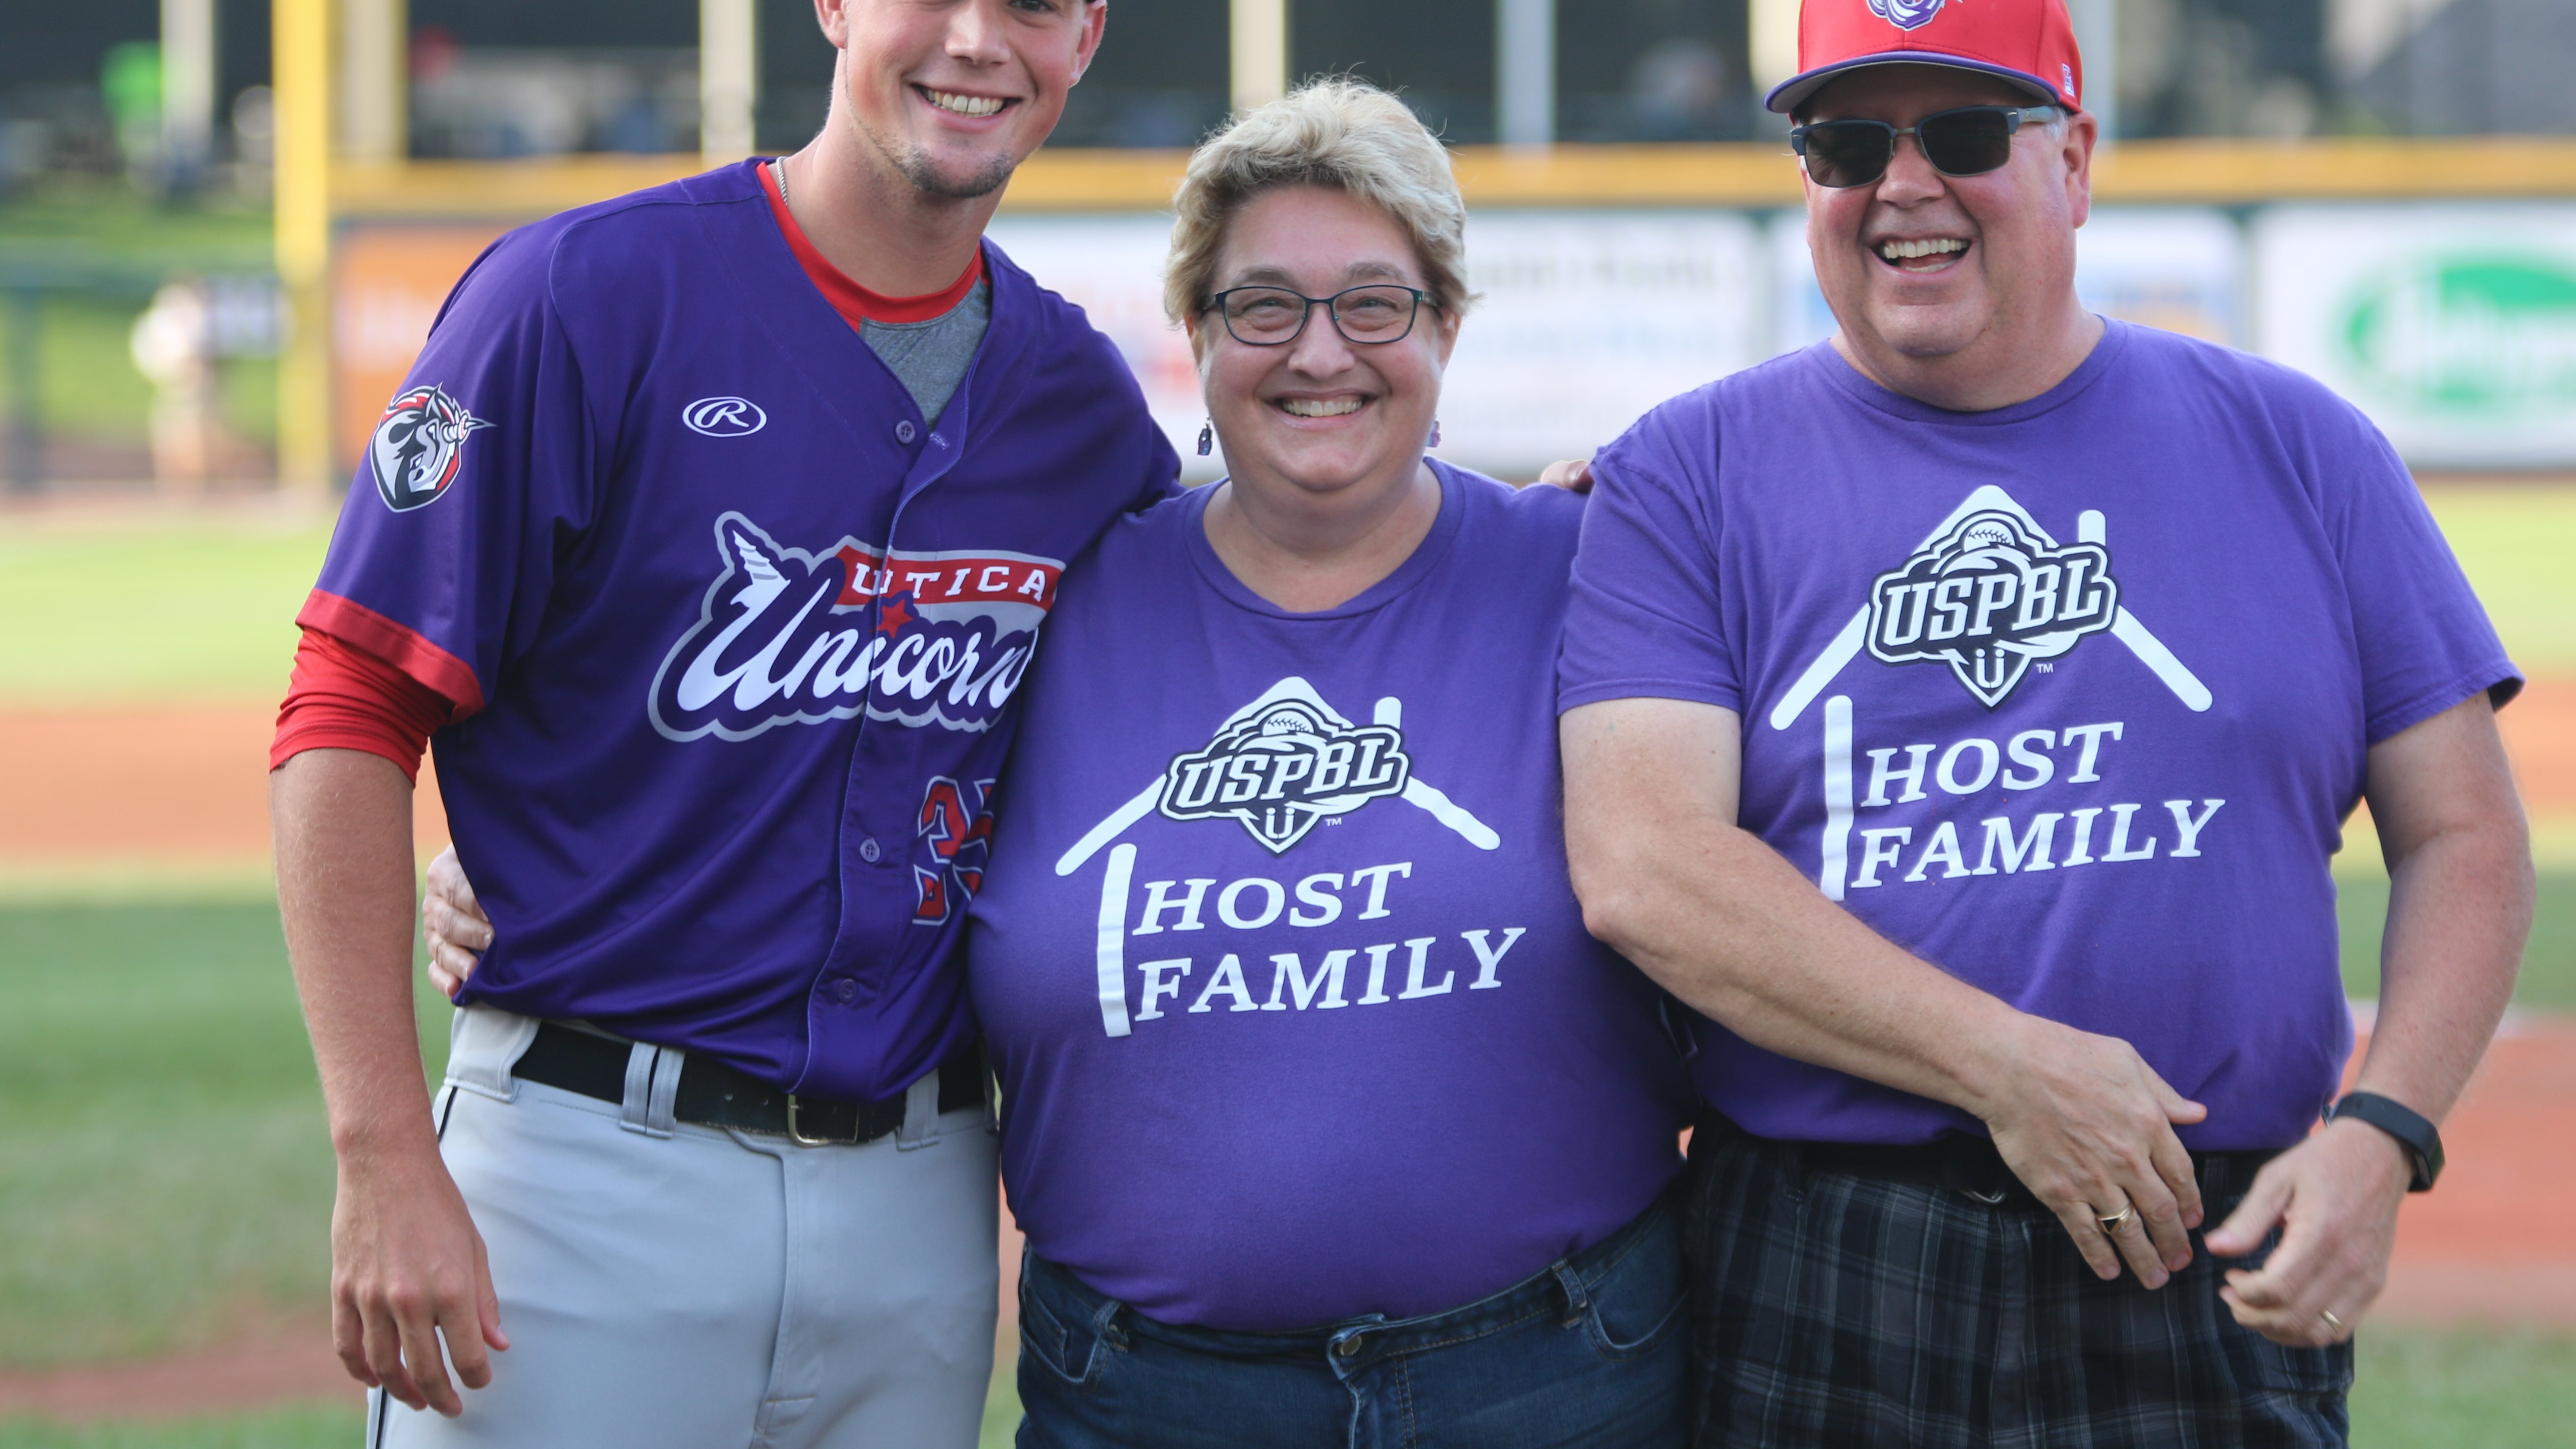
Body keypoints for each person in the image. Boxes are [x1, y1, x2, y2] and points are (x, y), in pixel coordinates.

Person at [428, 78, 1696, 1447]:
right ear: (1198, 339)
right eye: (1261, 305)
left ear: (1446, 325)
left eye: (1375, 304)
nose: (1319, 352)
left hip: (1550, 1376)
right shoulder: (1068, 593)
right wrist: (538, 870)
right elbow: (852, 755)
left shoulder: (1598, 577)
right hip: (1142, 1396)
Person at [269, 0, 1173, 1448]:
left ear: (1084, 40)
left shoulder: (1076, 405)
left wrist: (1539, 521)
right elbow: (347, 703)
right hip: (584, 1175)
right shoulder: (586, 298)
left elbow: (1245, 626)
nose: (978, 39)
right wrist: (383, 1151)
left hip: (919, 1197)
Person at [1557, 0, 2534, 1448]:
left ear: (2074, 160)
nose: (1902, 185)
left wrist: (2385, 1135)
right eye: (1843, 143)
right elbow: (1645, 868)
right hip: (1824, 1245)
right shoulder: (1685, 471)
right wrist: (2010, 1069)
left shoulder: (2300, 446)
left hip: (2196, 1245)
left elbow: (2465, 834)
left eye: (1961, 133)